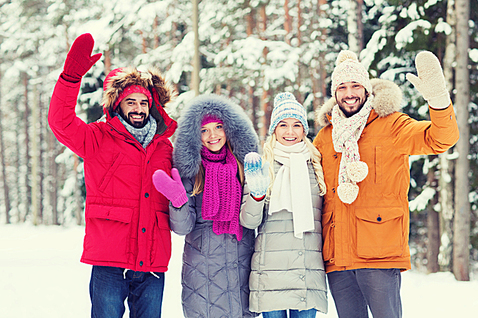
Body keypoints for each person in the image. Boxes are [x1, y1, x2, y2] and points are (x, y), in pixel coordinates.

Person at [313, 50, 459, 318]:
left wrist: (438, 101)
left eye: (356, 85)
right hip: (337, 255)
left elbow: (441, 139)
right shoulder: (325, 136)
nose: (349, 93)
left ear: (367, 88)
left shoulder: (392, 124)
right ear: (334, 93)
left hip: (378, 250)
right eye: (342, 87)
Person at [48, 33, 177, 318]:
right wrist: (70, 79)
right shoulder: (97, 137)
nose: (138, 109)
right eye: (131, 102)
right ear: (117, 105)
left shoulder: (165, 147)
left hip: (152, 263)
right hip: (110, 260)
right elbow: (61, 122)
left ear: (151, 107)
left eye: (143, 103)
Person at [152, 94, 260, 318]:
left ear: (230, 128)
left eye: (218, 126)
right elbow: (183, 228)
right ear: (195, 135)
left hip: (243, 265)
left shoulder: (244, 167)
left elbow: (253, 217)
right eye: (204, 130)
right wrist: (178, 202)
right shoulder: (191, 173)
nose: (213, 135)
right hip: (203, 273)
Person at [239, 92, 329, 318]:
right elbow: (248, 221)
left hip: (307, 271)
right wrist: (257, 195)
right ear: (274, 130)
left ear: (304, 129)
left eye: (296, 125)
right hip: (271, 272)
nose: (290, 132)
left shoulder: (316, 164)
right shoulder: (262, 165)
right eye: (283, 125)